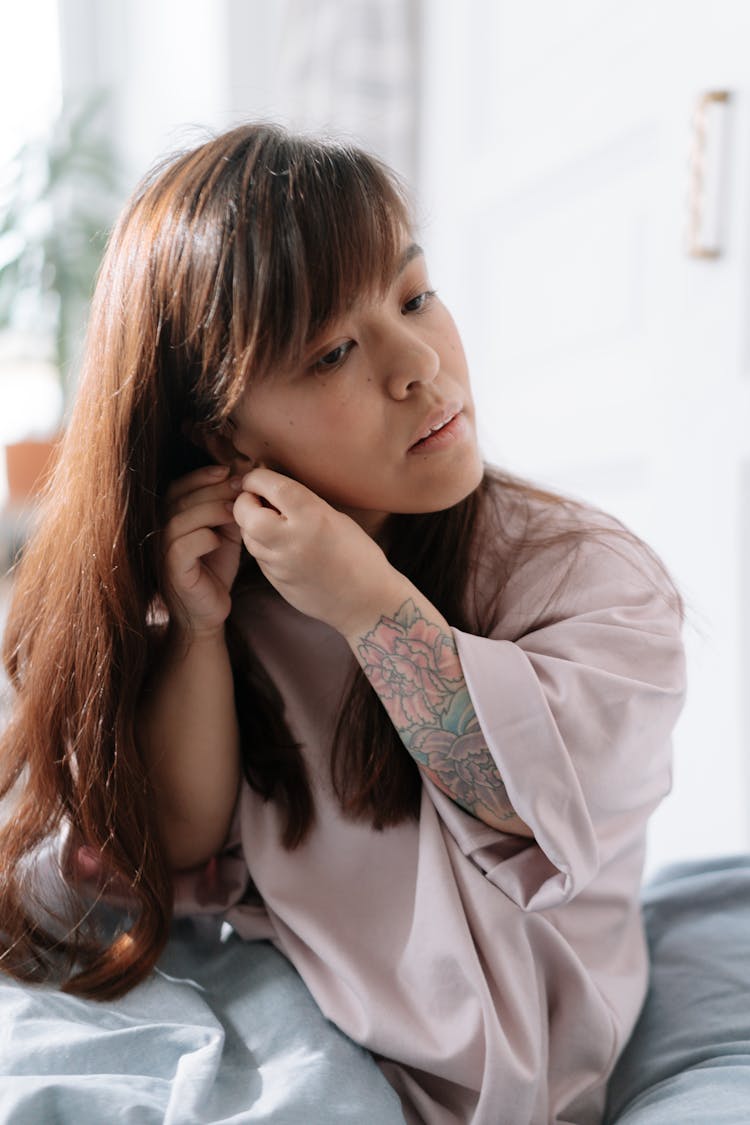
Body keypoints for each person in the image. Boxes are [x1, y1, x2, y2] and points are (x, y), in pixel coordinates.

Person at [0, 122, 686, 1125]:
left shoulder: (584, 572)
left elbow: (522, 802)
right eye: (331, 352)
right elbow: (185, 843)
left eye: (415, 297)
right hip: (306, 1014)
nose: (417, 365)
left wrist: (367, 605)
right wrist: (194, 631)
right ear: (222, 430)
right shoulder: (234, 582)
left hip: (511, 1053)